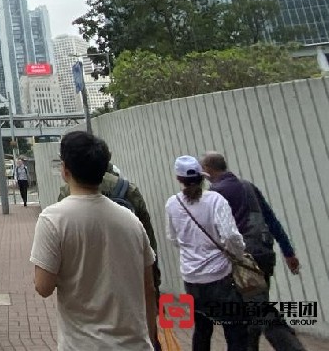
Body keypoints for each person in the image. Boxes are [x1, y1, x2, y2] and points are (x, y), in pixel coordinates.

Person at [31, 131, 159, 350]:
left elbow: (43, 287)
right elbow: (148, 286)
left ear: (65, 170)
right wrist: (152, 337)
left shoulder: (53, 220)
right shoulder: (130, 220)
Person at [200, 152, 306, 351]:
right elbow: (271, 220)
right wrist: (288, 252)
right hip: (265, 255)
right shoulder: (248, 187)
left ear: (208, 171)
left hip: (243, 263)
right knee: (251, 314)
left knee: (259, 311)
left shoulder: (214, 195)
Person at [165, 155, 249, 351]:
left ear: (179, 179)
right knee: (235, 329)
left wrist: (191, 249)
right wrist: (238, 254)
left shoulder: (172, 203)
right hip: (220, 276)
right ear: (202, 176)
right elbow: (230, 235)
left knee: (202, 329)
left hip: (192, 278)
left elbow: (172, 237)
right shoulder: (215, 200)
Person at [58, 161, 161, 296]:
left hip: (87, 281)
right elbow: (149, 242)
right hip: (128, 276)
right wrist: (155, 282)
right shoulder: (129, 190)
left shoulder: (68, 192)